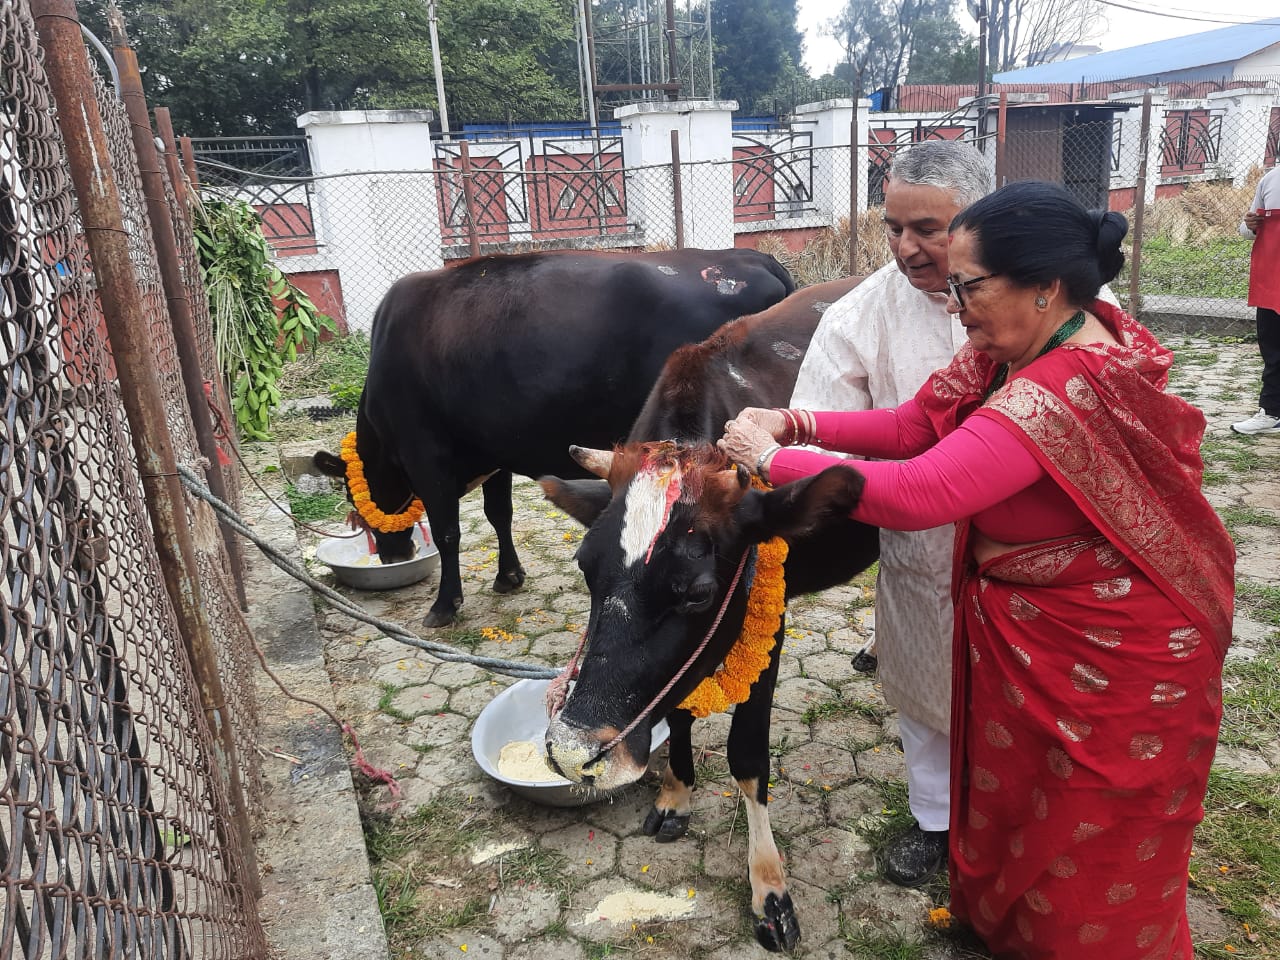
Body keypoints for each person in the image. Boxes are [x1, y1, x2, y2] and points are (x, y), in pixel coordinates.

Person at [720, 180, 1235, 960]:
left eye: (968, 289)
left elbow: (927, 489)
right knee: (1025, 804)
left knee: (1085, 835)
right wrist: (797, 418)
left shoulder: (1060, 390)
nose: (955, 309)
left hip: (1105, 659)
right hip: (1030, 634)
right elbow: (913, 424)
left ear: (1043, 286)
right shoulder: (1018, 350)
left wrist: (773, 458)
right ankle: (1010, 926)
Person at [789, 139, 995, 888]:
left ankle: (1013, 818)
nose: (907, 248)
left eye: (928, 229)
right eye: (892, 228)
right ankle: (935, 820)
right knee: (925, 685)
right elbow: (822, 425)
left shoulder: (1040, 292)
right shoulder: (860, 315)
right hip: (923, 542)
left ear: (979, 220)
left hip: (1032, 549)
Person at [1231, 164, 1280, 435]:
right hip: (1272, 279)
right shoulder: (1271, 179)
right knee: (1273, 349)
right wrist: (1248, 225)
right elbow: (1247, 230)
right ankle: (1271, 412)